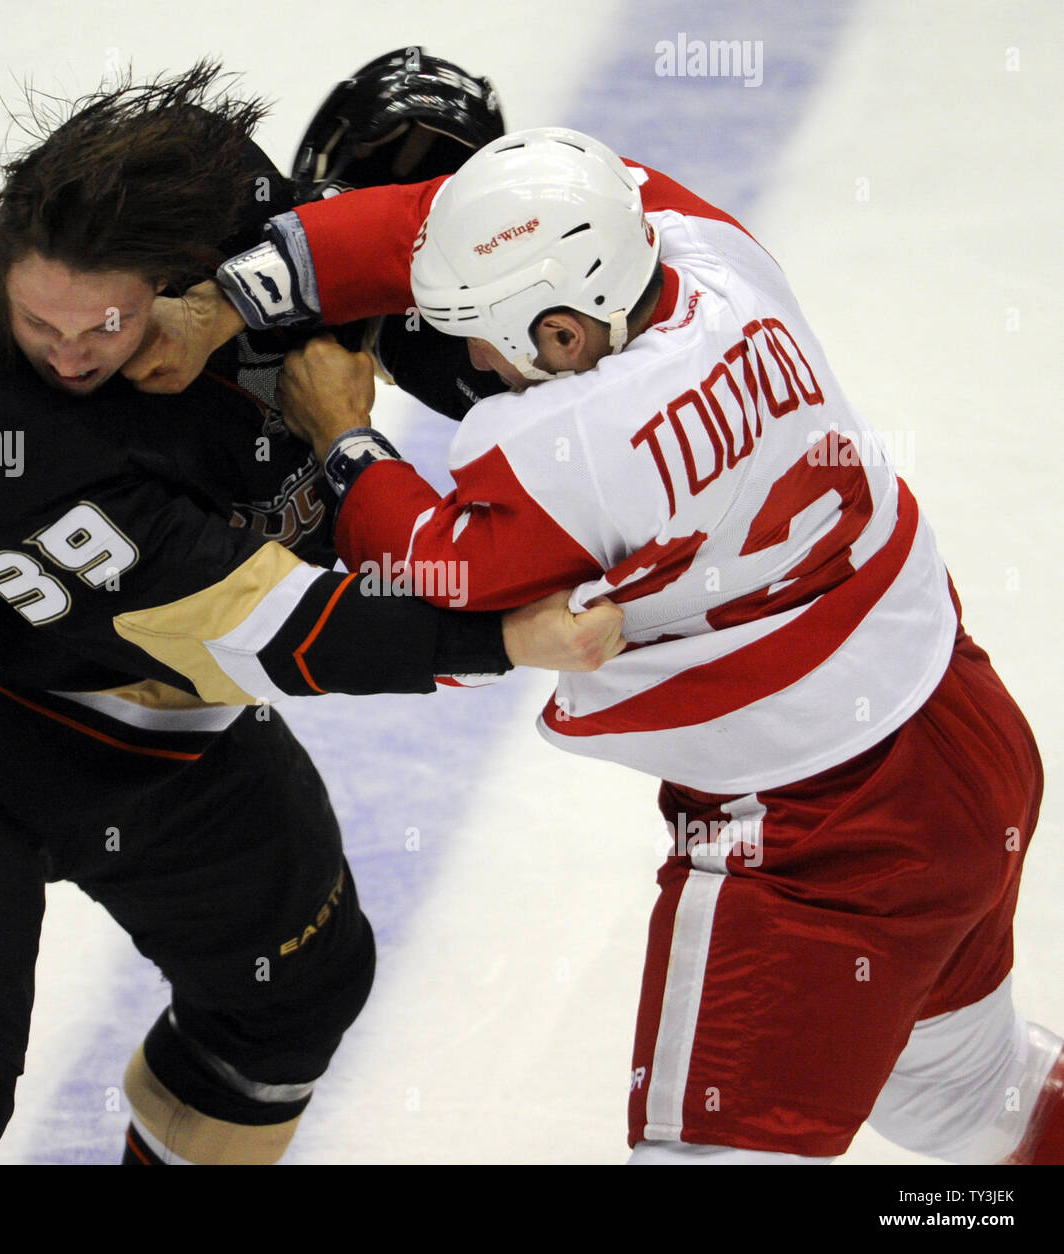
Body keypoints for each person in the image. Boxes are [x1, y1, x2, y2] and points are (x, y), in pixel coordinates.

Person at [160, 125, 1061, 1165]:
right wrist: (242, 289)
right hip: (957, 730)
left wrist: (343, 433)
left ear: (562, 337)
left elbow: (438, 564)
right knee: (969, 1101)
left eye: (481, 336)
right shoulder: (711, 257)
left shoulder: (571, 442)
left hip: (820, 838)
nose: (472, 365)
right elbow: (438, 218)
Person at [0, 67, 621, 1167]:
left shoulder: (203, 185)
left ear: (179, 274)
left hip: (153, 728)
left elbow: (372, 291)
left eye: (102, 324)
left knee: (292, 996)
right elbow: (273, 626)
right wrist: (500, 634)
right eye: (38, 320)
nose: (69, 353)